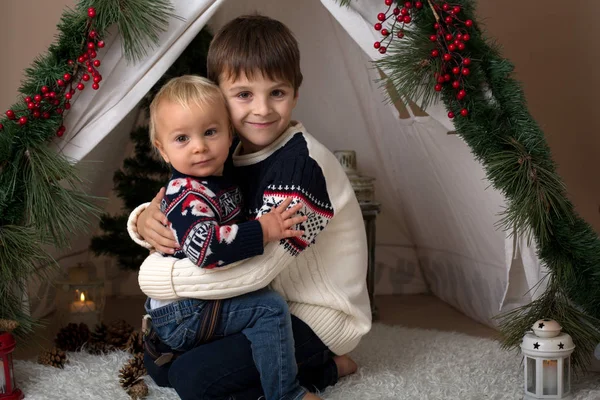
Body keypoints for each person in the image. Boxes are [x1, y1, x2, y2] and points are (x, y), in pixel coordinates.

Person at [127, 15, 372, 400]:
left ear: (295, 92)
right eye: (243, 95)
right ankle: (296, 368)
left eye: (277, 92)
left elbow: (256, 272)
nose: (262, 110)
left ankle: (322, 366)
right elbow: (191, 204)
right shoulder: (227, 153)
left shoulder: (302, 168)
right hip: (257, 305)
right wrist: (142, 219)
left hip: (315, 313)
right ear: (217, 97)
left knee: (193, 377)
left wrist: (158, 279)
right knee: (159, 364)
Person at [144, 74, 318, 400]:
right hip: (183, 312)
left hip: (199, 302)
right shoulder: (186, 192)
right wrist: (264, 229)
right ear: (163, 150)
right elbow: (204, 247)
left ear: (229, 133)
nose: (199, 146)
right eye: (182, 139)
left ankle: (301, 370)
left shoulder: (219, 179)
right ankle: (287, 393)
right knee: (268, 308)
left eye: (210, 132)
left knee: (248, 327)